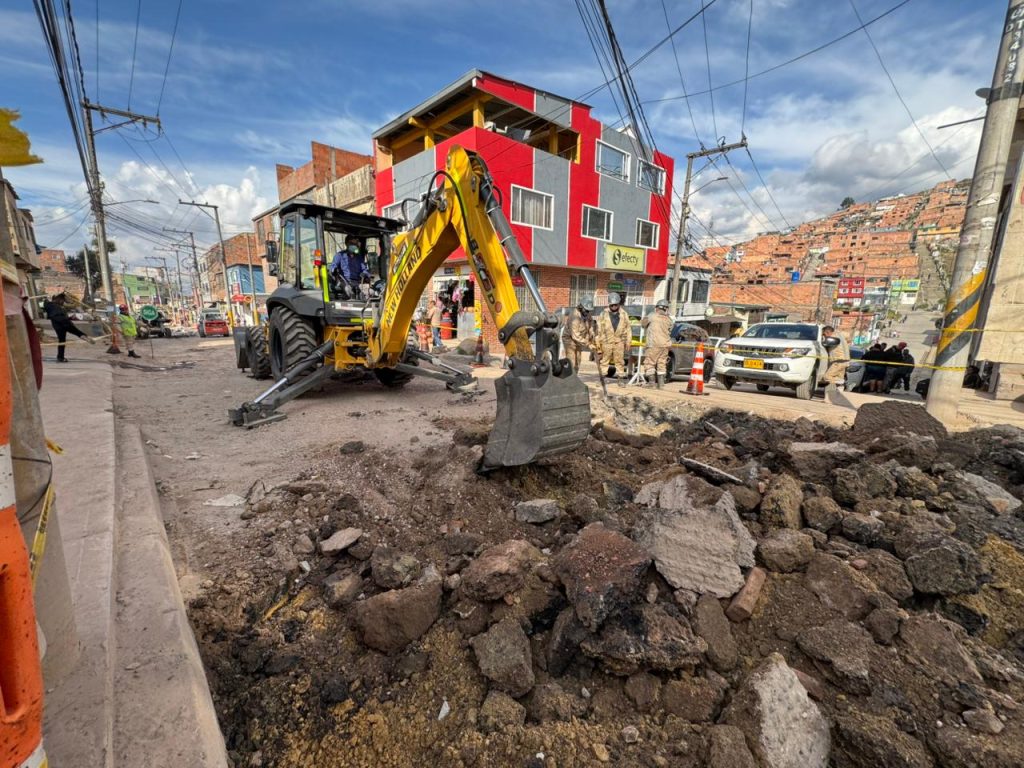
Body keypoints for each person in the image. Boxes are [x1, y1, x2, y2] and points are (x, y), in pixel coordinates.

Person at [42, 292, 94, 362]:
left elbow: (60, 313)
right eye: (62, 300)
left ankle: (60, 357)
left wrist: (70, 317)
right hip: (62, 321)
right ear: (58, 299)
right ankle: (84, 336)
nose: (62, 302)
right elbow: (51, 306)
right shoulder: (51, 305)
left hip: (57, 324)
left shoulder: (53, 306)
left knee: (62, 341)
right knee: (75, 331)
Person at [595, 292, 631, 381]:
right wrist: (598, 345)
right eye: (612, 305)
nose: (614, 307)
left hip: (619, 342)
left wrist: (628, 341)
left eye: (616, 305)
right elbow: (598, 330)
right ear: (609, 304)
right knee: (604, 361)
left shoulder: (624, 314)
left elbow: (628, 328)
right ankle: (602, 379)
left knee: (620, 362)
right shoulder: (603, 314)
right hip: (606, 341)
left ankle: (620, 379)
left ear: (619, 304)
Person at [641, 299, 672, 388]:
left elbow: (643, 325)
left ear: (657, 308)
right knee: (661, 364)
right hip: (665, 345)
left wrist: (645, 318)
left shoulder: (652, 316)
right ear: (666, 309)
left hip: (653, 344)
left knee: (649, 363)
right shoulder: (669, 319)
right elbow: (670, 330)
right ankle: (661, 384)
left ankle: (651, 383)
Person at [820, 325, 851, 405]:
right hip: (845, 361)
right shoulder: (840, 334)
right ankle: (836, 399)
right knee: (838, 379)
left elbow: (826, 344)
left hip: (838, 361)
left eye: (824, 334)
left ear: (828, 332)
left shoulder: (833, 337)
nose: (824, 336)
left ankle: (841, 383)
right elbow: (848, 336)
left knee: (827, 377)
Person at [563, 296, 595, 373]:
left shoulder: (587, 314)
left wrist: (592, 333)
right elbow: (575, 335)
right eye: (586, 310)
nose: (587, 312)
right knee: (572, 361)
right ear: (581, 307)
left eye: (588, 311)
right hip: (569, 339)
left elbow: (590, 324)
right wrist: (588, 344)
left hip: (579, 340)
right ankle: (569, 380)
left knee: (578, 360)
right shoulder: (574, 316)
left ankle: (575, 379)